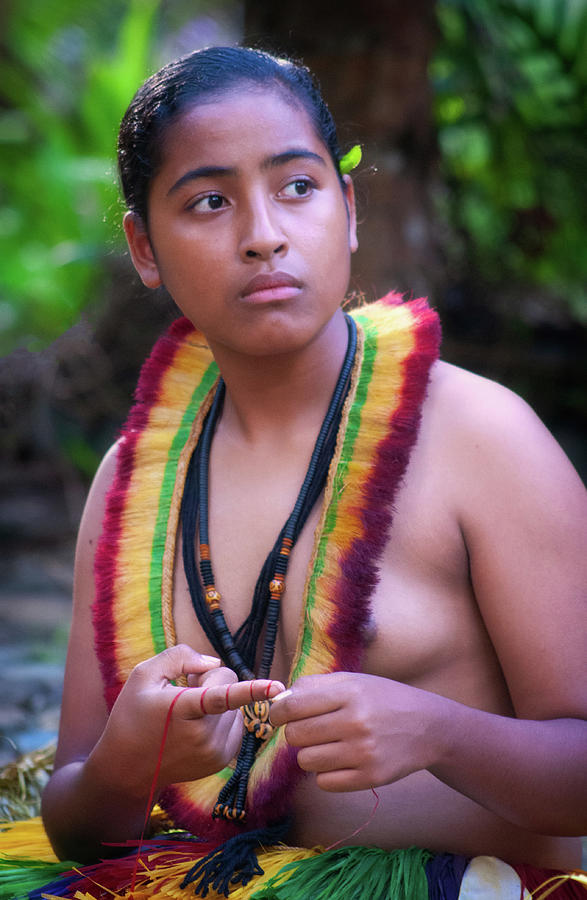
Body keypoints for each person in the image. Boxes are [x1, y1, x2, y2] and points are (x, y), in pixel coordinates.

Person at [1, 45, 586, 900]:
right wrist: (129, 761)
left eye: (297, 188)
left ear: (346, 211)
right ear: (144, 247)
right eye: (208, 202)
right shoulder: (137, 483)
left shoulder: (479, 436)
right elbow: (79, 825)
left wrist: (440, 734)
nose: (263, 234)